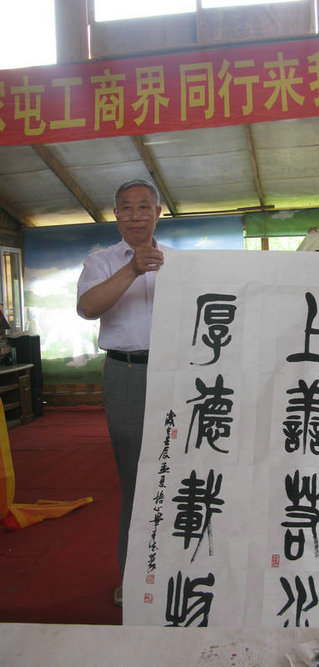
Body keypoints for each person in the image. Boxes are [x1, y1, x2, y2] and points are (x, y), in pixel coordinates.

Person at [77, 179, 168, 604]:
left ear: (158, 213)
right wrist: (133, 269)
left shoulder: (179, 261)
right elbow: (87, 307)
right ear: (116, 215)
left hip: (177, 375)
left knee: (182, 473)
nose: (135, 216)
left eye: (143, 207)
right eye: (126, 208)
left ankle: (177, 570)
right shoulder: (101, 261)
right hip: (126, 373)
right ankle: (135, 577)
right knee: (137, 479)